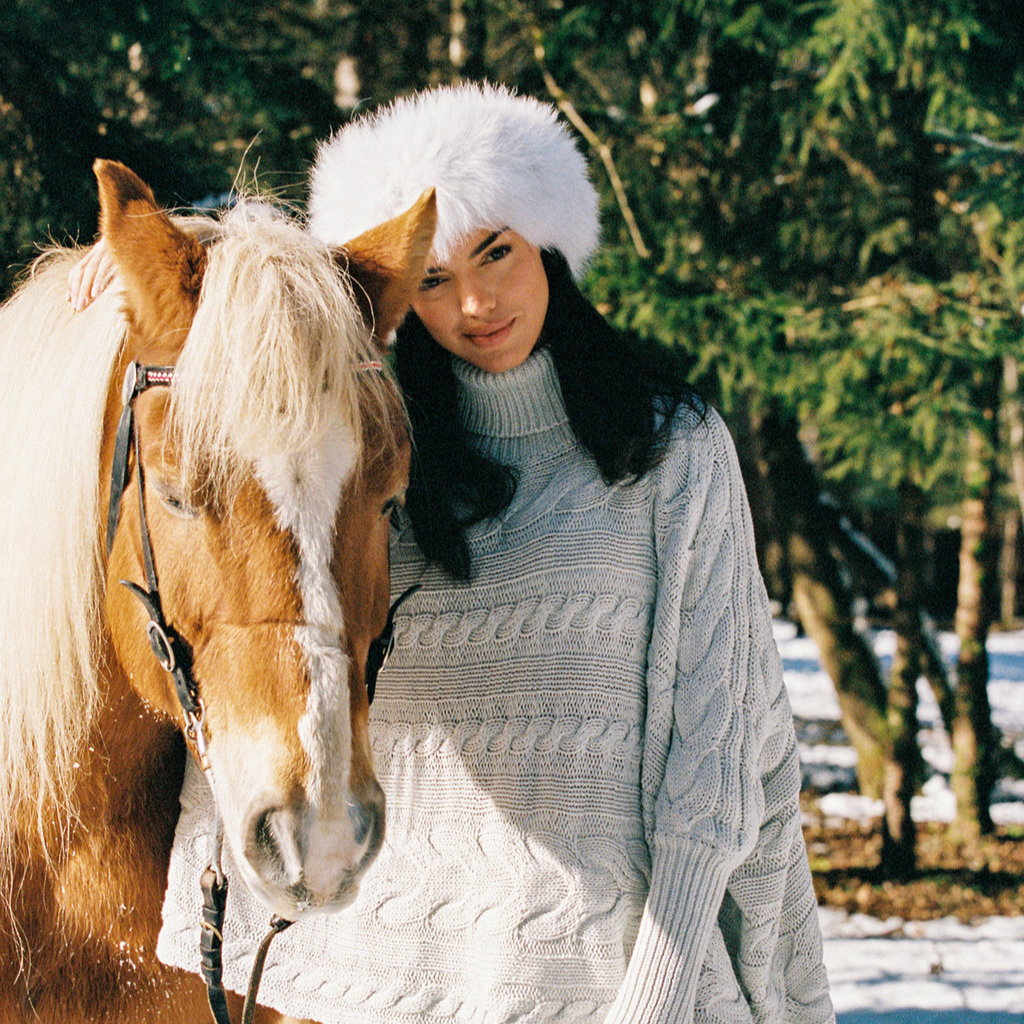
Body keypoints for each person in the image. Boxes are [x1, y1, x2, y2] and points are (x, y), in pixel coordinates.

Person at [72, 82, 834, 1024]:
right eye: (430, 278)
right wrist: (144, 281)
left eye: (497, 251)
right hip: (371, 998)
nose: (475, 302)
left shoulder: (675, 453)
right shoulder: (371, 473)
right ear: (395, 299)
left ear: (549, 238)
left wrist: (659, 1000)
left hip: (618, 1000)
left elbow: (710, 782)